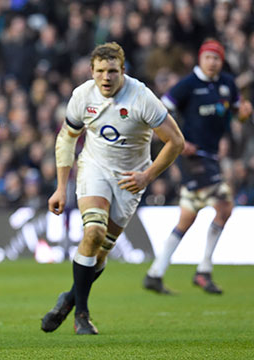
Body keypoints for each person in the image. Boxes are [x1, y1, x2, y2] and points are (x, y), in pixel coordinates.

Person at [41, 42, 184, 335]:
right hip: (94, 169)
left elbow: (176, 142)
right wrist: (60, 188)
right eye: (100, 71)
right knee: (92, 232)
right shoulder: (82, 96)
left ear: (123, 71)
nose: (106, 78)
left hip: (131, 179)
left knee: (101, 252)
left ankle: (69, 298)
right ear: (91, 72)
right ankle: (82, 315)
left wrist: (147, 176)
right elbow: (67, 139)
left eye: (112, 71)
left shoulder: (142, 98)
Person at [143, 39, 252, 295]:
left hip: (211, 155)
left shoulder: (227, 84)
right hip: (192, 157)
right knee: (225, 206)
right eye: (208, 57)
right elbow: (160, 110)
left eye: (217, 58)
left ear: (221, 60)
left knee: (187, 218)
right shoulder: (187, 85)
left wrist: (244, 113)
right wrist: (178, 139)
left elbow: (238, 113)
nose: (213, 62)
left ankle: (155, 273)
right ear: (200, 59)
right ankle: (204, 270)